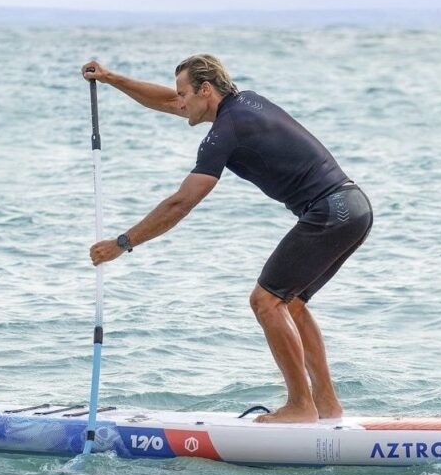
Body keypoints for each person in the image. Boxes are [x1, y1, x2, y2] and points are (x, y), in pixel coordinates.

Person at [82, 54, 372, 424]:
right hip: (354, 207)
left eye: (184, 93)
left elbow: (182, 202)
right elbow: (168, 101)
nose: (179, 102)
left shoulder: (224, 132)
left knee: (266, 302)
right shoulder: (245, 105)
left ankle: (301, 405)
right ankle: (327, 405)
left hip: (329, 213)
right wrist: (111, 78)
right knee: (292, 303)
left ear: (206, 90)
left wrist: (122, 243)